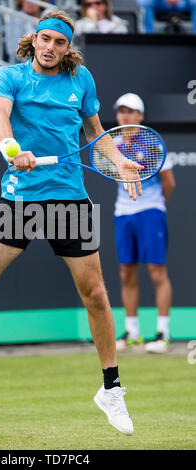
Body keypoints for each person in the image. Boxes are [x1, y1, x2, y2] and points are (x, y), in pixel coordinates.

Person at [0, 10, 144, 435]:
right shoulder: (9, 76)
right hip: (20, 199)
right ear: (33, 40)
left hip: (71, 200)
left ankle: (111, 390)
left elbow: (95, 133)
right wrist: (11, 148)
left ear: (67, 47)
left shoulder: (82, 80)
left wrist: (120, 162)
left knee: (95, 294)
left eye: (59, 43)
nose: (51, 48)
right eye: (45, 39)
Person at [113, 93, 176, 354]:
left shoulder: (153, 144)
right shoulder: (113, 144)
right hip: (123, 213)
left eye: (131, 111)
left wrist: (155, 206)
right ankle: (132, 332)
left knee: (156, 272)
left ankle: (162, 333)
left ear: (140, 116)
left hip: (150, 211)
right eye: (121, 111)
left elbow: (168, 183)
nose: (125, 116)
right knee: (126, 273)